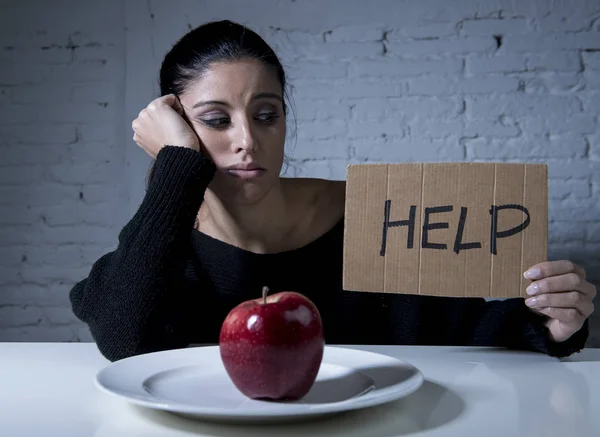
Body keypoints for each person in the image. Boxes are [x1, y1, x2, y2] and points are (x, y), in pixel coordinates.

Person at [69, 20, 596, 363]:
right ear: (175, 127)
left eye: (266, 115)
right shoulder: (161, 242)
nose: (247, 141)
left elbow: (460, 328)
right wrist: (176, 166)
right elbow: (122, 338)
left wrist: (550, 322)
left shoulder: (369, 214)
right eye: (215, 120)